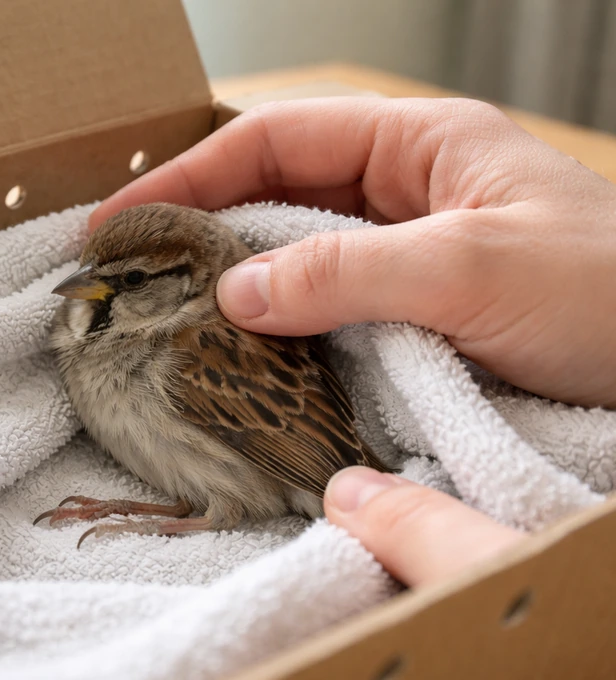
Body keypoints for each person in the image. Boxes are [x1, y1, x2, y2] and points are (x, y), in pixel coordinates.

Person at [89, 97, 616, 588]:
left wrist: (341, 484)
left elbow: (284, 434)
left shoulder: (184, 352)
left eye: (132, 282)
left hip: (302, 467)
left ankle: (189, 517)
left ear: (190, 280)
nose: (89, 292)